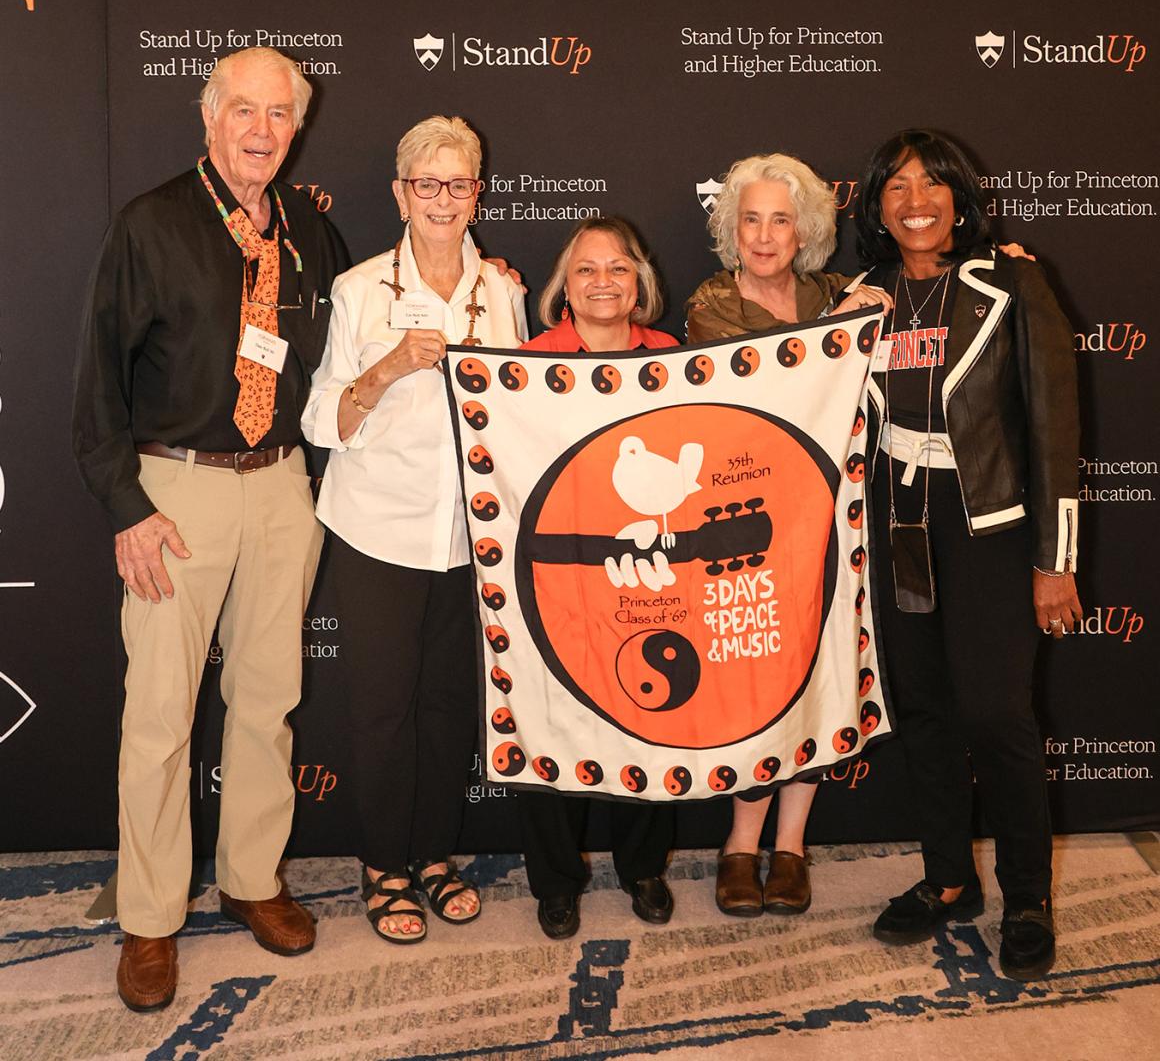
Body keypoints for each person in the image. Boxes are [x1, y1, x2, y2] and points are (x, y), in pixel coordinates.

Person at [72, 47, 349, 1012]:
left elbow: (346, 342)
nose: (262, 131)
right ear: (209, 117)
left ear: (296, 128)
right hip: (176, 492)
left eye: (280, 115)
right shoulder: (150, 224)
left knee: (269, 698)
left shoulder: (312, 229)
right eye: (244, 111)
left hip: (281, 488)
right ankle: (150, 919)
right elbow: (97, 385)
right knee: (159, 715)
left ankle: (251, 877)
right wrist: (128, 509)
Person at [850, 129, 1080, 980]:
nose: (915, 199)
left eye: (932, 183)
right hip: (899, 527)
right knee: (929, 715)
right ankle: (949, 879)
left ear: (959, 197)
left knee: (998, 718)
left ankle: (1027, 896)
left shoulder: (1012, 282)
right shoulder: (862, 296)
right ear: (875, 204)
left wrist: (1055, 561)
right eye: (897, 185)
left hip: (992, 527)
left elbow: (1056, 427)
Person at [301, 116, 526, 945]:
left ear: (478, 193)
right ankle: (383, 867)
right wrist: (390, 365)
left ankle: (435, 857)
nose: (441, 199)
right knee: (382, 711)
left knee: (447, 704)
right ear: (400, 193)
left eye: (457, 183)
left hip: (470, 537)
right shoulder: (362, 289)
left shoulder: (501, 291)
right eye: (425, 184)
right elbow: (321, 418)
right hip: (376, 532)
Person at [686, 153, 890, 919]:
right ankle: (740, 843)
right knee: (753, 680)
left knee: (816, 670)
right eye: (751, 219)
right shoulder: (711, 303)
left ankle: (792, 845)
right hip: (743, 525)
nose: (766, 235)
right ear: (730, 229)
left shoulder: (834, 292)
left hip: (832, 519)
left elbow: (925, 285)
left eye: (781, 219)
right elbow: (774, 380)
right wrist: (843, 331)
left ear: (805, 230)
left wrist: (996, 260)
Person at [518, 215, 679, 938]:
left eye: (617, 267)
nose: (603, 280)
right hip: (563, 571)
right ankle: (556, 880)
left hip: (649, 573)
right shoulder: (526, 361)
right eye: (586, 269)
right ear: (564, 288)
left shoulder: (673, 357)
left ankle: (642, 865)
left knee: (648, 716)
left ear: (640, 281)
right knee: (553, 719)